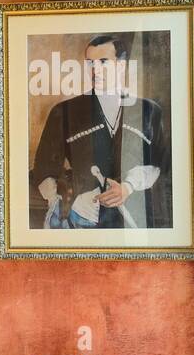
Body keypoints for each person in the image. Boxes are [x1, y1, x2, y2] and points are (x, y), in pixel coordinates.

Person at [30, 34, 171, 230]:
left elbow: (162, 165)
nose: (95, 69)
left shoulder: (149, 111)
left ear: (121, 66)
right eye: (90, 63)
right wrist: (63, 203)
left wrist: (128, 187)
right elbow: (43, 167)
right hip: (83, 222)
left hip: (136, 225)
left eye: (103, 61)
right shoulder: (65, 111)